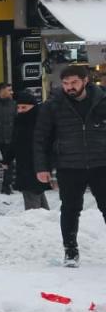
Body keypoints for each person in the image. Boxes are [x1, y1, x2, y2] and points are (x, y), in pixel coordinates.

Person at [34, 64, 106, 268]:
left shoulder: (102, 100)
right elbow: (41, 138)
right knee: (70, 209)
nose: (69, 87)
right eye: (66, 83)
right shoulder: (53, 105)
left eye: (74, 82)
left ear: (86, 81)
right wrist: (42, 167)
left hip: (101, 163)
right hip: (69, 165)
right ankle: (70, 251)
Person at [11, 91, 50, 211]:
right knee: (36, 192)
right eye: (18, 107)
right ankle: (45, 220)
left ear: (33, 107)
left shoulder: (38, 122)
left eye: (24, 107)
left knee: (32, 199)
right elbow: (15, 143)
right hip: (27, 165)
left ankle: (38, 224)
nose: (21, 110)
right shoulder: (21, 121)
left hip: (34, 166)